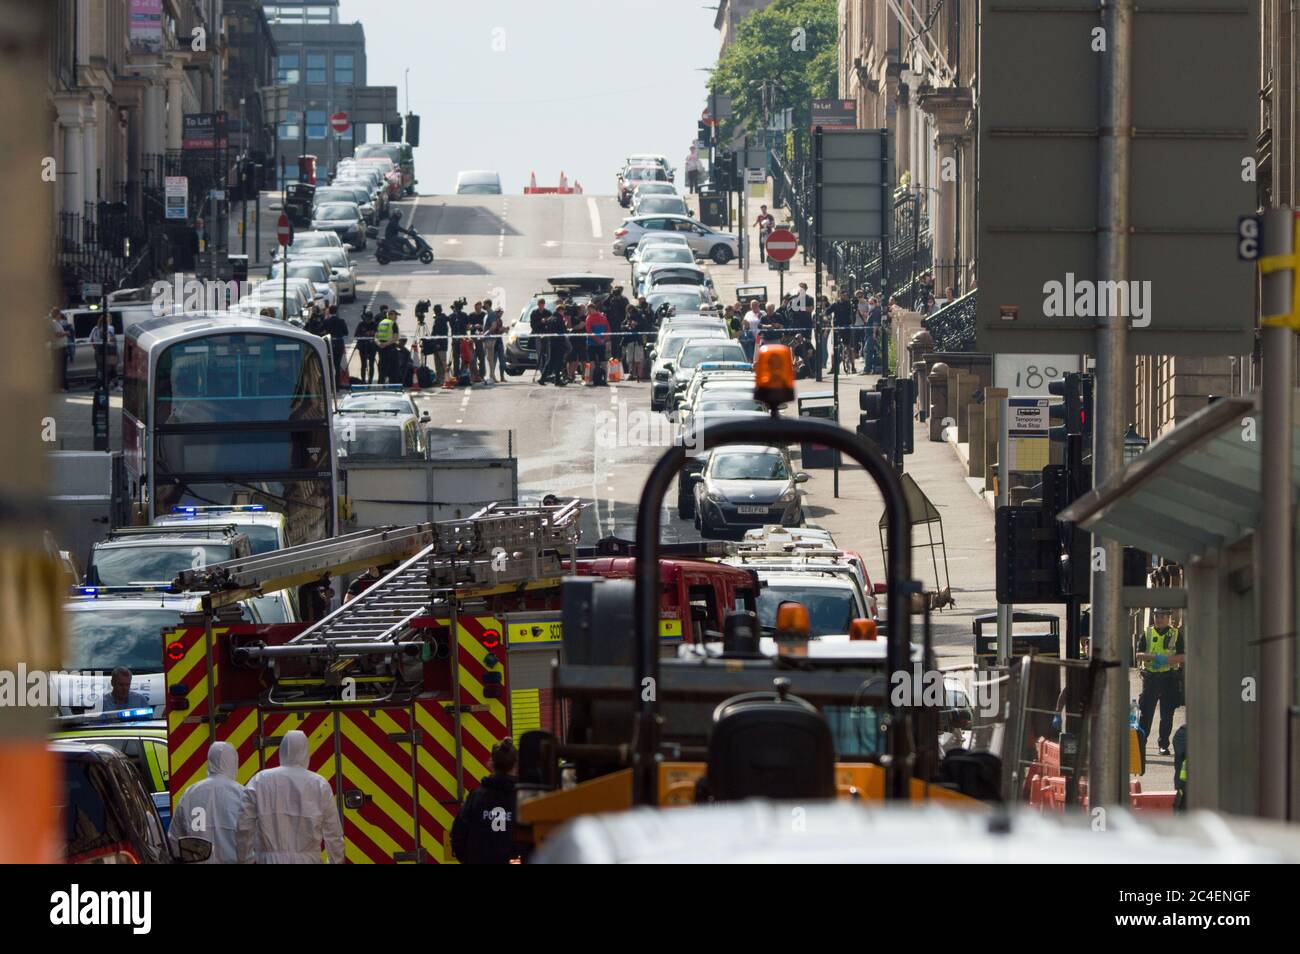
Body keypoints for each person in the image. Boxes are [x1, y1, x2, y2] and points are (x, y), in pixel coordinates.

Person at [237, 729, 344, 864]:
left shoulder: (260, 780)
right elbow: (333, 833)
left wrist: (243, 860)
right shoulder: (319, 784)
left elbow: (244, 827)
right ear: (306, 753)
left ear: (281, 750)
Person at [168, 741, 243, 864]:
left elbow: (175, 839)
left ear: (209, 761)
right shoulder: (242, 794)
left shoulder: (190, 794)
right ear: (234, 763)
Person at [450, 738, 519, 865]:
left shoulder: (476, 797)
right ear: (516, 764)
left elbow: (458, 835)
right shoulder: (523, 799)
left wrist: (468, 859)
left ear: (491, 763)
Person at [1136, 609, 1184, 756]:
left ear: (1168, 618)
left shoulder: (1175, 634)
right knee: (1146, 713)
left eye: (1162, 616)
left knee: (1167, 715)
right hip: (1151, 678)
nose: (1159, 619)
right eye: (1156, 616)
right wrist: (1154, 657)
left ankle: (1163, 744)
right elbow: (1138, 655)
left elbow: (1183, 656)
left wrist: (1167, 660)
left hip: (1169, 678)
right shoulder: (1148, 633)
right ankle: (1141, 744)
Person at [827, 289, 855, 373]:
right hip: (837, 328)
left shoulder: (849, 304)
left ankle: (853, 366)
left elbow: (853, 314)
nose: (844, 296)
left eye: (846, 295)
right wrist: (826, 316)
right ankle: (834, 368)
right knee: (834, 349)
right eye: (843, 295)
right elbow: (827, 311)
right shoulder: (836, 304)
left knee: (849, 347)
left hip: (846, 327)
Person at [585, 301, 611, 386]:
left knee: (593, 362)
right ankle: (606, 379)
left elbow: (589, 331)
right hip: (601, 343)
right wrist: (604, 339)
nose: (588, 312)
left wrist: (598, 340)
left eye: (589, 310)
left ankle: (591, 380)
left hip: (592, 343)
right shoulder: (603, 317)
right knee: (603, 361)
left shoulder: (589, 318)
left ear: (593, 309)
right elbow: (608, 329)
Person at [88, 316, 117, 389]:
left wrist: (94, 346)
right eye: (109, 319)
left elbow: (91, 339)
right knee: (109, 368)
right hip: (108, 349)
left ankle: (99, 384)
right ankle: (109, 384)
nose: (110, 320)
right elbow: (111, 339)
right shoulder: (110, 327)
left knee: (100, 368)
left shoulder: (95, 328)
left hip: (98, 349)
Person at [322, 306, 349, 376]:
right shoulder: (341, 321)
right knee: (337, 363)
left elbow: (322, 331)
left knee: (330, 363)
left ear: (329, 312)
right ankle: (337, 382)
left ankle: (331, 381)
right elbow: (346, 332)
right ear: (336, 312)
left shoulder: (326, 321)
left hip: (330, 342)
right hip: (339, 342)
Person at [374, 308, 399, 384]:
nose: (396, 317)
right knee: (393, 367)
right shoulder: (393, 324)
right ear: (391, 315)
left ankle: (381, 383)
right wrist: (386, 344)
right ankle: (393, 384)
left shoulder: (381, 322)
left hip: (381, 348)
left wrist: (379, 344)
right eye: (395, 315)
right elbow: (395, 338)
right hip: (390, 348)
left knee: (382, 366)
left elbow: (375, 337)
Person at [354, 309, 378, 384]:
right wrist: (364, 334)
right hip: (363, 346)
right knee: (363, 364)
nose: (368, 321)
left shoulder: (375, 324)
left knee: (371, 364)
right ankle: (363, 380)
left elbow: (379, 335)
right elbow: (356, 335)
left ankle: (370, 380)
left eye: (370, 319)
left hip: (372, 347)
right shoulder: (361, 324)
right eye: (367, 319)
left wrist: (373, 334)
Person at [484, 305, 505, 383]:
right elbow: (493, 329)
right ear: (497, 312)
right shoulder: (493, 319)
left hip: (498, 341)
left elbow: (499, 331)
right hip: (493, 342)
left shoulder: (500, 320)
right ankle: (492, 375)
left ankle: (501, 377)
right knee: (492, 360)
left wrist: (504, 330)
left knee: (502, 360)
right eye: (500, 312)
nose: (501, 314)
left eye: (502, 312)